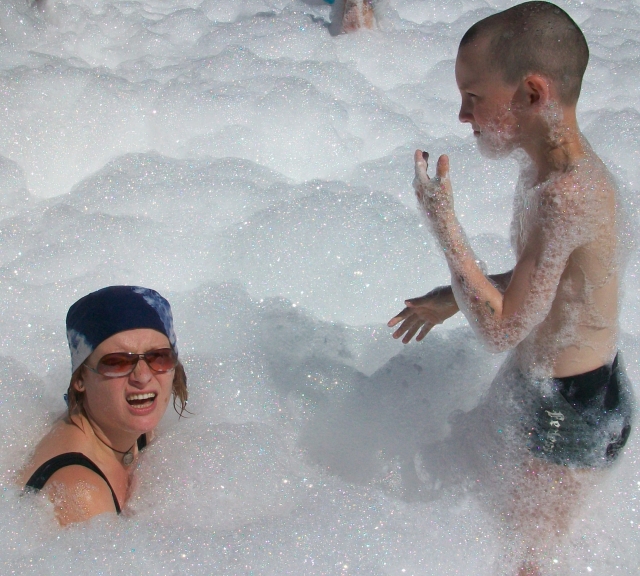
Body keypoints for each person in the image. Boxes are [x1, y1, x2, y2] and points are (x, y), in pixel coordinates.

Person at [387, 2, 632, 574]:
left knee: (528, 563)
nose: (462, 115)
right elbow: (559, 284)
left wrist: (444, 226)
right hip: (562, 391)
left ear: (532, 93)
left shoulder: (567, 194)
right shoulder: (555, 171)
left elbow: (502, 330)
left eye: (473, 97)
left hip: (568, 413)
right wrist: (450, 297)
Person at [19, 286, 187, 525]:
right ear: (80, 379)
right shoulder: (81, 491)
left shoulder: (130, 431)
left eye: (159, 357)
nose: (143, 376)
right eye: (117, 362)